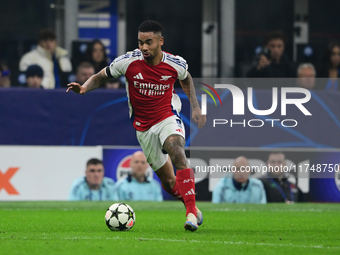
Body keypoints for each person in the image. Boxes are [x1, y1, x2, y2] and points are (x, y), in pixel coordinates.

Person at [67, 20, 206, 231]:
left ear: (160, 41)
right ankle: (192, 206)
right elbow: (101, 76)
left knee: (176, 149)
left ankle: (190, 215)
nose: (144, 47)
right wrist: (85, 88)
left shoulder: (175, 63)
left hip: (167, 116)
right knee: (169, 183)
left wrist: (195, 107)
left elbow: (186, 79)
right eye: (140, 42)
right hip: (143, 127)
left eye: (149, 42)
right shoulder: (128, 62)